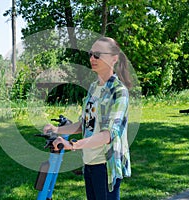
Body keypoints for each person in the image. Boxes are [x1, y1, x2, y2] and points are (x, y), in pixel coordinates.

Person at [43, 37, 132, 200]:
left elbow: (109, 135)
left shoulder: (119, 92)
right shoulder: (93, 87)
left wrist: (72, 145)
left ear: (114, 58)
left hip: (105, 165)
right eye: (91, 54)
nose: (92, 58)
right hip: (89, 162)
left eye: (98, 54)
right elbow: (84, 124)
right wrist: (57, 130)